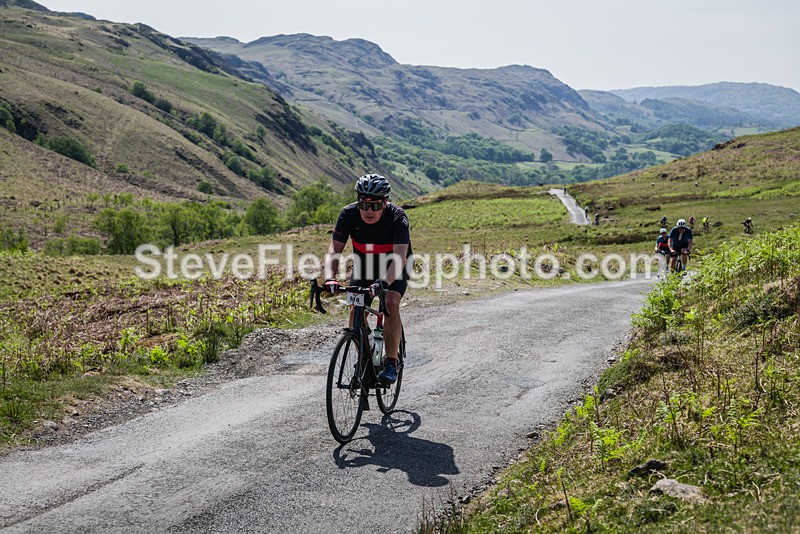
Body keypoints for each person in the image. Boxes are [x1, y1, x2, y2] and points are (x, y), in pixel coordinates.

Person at [323, 174, 412, 384]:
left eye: (375, 205)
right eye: (364, 205)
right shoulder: (348, 214)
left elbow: (400, 257)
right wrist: (329, 278)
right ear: (358, 201)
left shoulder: (398, 217)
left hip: (394, 266)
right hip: (365, 266)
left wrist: (385, 282)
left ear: (385, 202)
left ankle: (391, 363)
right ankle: (365, 353)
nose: (369, 211)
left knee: (390, 303)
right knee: (355, 309)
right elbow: (334, 250)